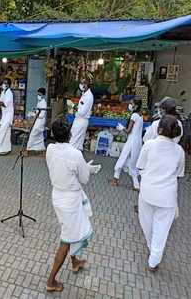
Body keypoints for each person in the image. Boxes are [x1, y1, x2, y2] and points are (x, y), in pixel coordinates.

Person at [46, 118, 101, 292]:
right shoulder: (75, 153)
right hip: (70, 200)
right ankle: (51, 281)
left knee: (74, 231)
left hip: (58, 196)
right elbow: (84, 179)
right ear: (70, 133)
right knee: (67, 239)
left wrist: (83, 167)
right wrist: (87, 168)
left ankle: (75, 261)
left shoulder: (50, 149)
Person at [137, 115, 184, 272]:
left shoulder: (149, 145)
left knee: (147, 225)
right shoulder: (179, 151)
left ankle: (153, 250)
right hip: (168, 197)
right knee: (161, 230)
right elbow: (179, 173)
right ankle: (153, 261)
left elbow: (140, 166)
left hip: (147, 193)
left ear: (159, 129)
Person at [111, 100, 144, 191]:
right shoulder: (141, 116)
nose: (130, 105)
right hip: (138, 142)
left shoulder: (134, 116)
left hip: (131, 141)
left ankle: (115, 179)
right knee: (133, 163)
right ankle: (136, 185)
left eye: (132, 104)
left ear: (136, 106)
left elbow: (128, 131)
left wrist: (121, 128)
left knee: (122, 158)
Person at [69, 77, 94, 151]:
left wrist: (73, 106)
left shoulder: (88, 96)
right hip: (79, 120)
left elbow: (82, 112)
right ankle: (76, 160)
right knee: (78, 144)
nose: (81, 85)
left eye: (82, 83)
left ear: (86, 85)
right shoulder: (84, 94)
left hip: (81, 121)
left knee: (73, 142)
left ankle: (69, 159)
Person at [0, 78, 14, 155]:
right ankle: (7, 149)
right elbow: (0, 99)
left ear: (8, 85)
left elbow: (4, 104)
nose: (3, 84)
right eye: (3, 83)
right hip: (4, 115)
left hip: (8, 116)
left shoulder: (9, 93)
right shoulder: (3, 92)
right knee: (7, 132)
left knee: (1, 132)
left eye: (5, 83)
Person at [26, 88, 47, 152]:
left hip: (40, 121)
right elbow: (37, 111)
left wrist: (34, 115)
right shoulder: (39, 102)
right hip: (37, 120)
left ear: (43, 95)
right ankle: (40, 147)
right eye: (38, 94)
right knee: (39, 135)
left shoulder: (44, 103)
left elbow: (41, 115)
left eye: (39, 94)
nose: (38, 96)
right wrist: (33, 113)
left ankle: (29, 148)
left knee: (33, 134)